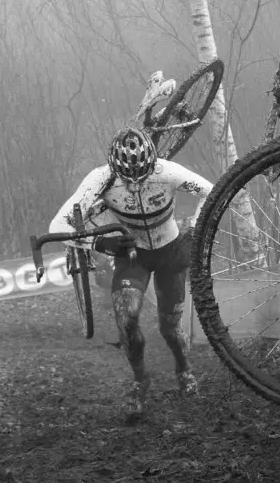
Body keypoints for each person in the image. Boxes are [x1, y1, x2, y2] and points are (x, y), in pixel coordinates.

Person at [49, 126, 214, 416]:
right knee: (126, 318)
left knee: (170, 329)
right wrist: (99, 241)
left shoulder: (167, 171)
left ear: (153, 163)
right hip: (132, 254)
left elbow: (212, 191)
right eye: (128, 179)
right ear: (115, 168)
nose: (136, 184)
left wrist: (195, 230)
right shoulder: (100, 179)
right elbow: (58, 227)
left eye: (143, 176)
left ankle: (184, 370)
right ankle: (139, 381)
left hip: (170, 252)